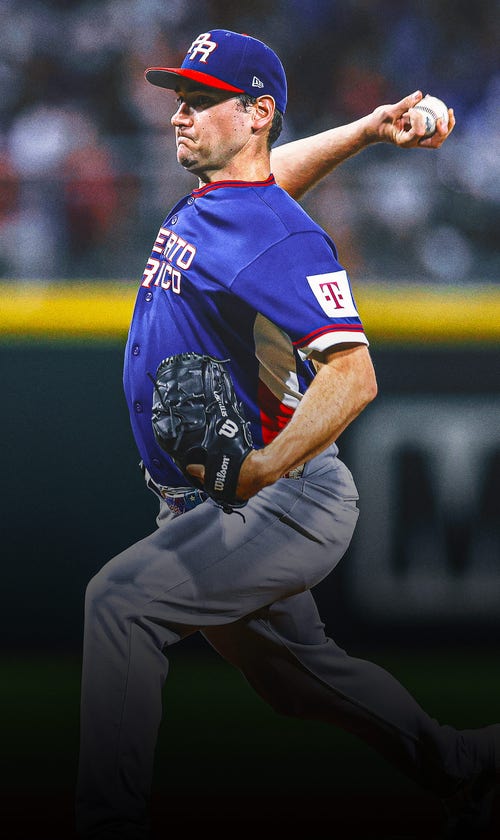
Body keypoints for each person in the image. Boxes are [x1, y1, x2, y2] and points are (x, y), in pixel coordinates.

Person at [76, 30, 498, 839]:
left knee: (119, 605)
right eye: (179, 98)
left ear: (257, 112)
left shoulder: (281, 235)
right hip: (211, 504)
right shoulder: (226, 202)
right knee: (300, 682)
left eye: (201, 101)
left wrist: (265, 465)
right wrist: (371, 129)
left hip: (284, 500)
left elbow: (354, 373)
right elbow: (270, 181)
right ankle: (462, 765)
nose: (178, 115)